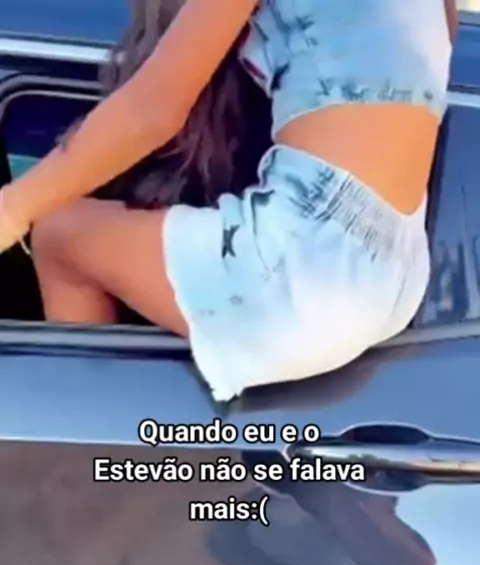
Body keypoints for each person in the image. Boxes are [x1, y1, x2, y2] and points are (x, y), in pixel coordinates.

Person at [0, 1, 457, 401]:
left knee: (60, 234)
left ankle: (82, 434)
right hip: (397, 268)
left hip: (307, 260)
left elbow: (152, 110)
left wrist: (14, 209)